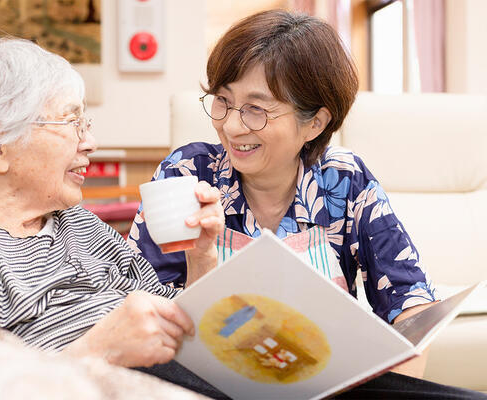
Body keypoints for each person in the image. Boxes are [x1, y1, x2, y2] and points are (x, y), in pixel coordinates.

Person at [129, 10, 486, 399]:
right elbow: (142, 311)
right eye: (223, 101)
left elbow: (412, 309)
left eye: (256, 109)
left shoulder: (345, 180)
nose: (231, 126)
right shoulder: (187, 173)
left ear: (315, 122)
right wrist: (201, 262)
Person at [0, 37, 227, 397]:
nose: (91, 141)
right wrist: (98, 350)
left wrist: (200, 257)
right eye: (72, 122)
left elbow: (181, 326)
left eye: (86, 123)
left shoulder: (79, 223)